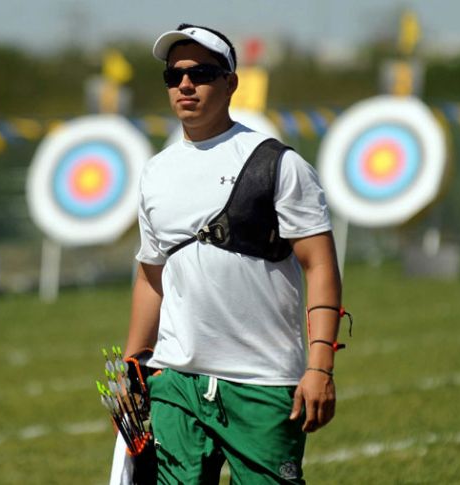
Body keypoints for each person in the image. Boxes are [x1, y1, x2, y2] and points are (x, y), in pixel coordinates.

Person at [110, 23, 344, 485]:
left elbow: (320, 266)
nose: (185, 84)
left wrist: (320, 366)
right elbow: (150, 275)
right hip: (176, 381)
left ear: (231, 81)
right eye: (173, 76)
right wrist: (135, 364)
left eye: (201, 72)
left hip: (262, 380)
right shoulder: (155, 173)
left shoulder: (278, 162)